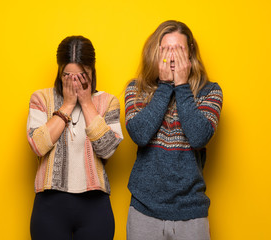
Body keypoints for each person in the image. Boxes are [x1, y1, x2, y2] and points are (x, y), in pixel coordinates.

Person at [125, 20, 223, 240]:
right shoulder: (136, 89)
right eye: (166, 49)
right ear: (155, 52)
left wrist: (181, 86)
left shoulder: (211, 92)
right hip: (144, 210)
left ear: (190, 55)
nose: (171, 57)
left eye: (178, 50)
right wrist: (165, 86)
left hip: (191, 212)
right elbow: (139, 134)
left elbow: (199, 137)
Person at [27, 35, 123, 240]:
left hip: (95, 205)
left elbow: (108, 149)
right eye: (68, 75)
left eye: (81, 75)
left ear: (92, 71)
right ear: (59, 71)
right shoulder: (41, 98)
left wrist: (87, 103)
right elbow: (38, 145)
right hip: (50, 205)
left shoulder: (108, 102)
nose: (74, 81)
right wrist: (68, 105)